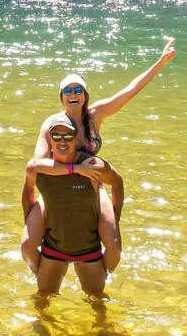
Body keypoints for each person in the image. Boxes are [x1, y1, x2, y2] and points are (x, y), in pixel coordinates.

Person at [22, 37, 177, 266]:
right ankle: (41, 274)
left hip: (92, 187)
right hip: (57, 190)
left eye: (78, 90)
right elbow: (37, 164)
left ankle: (100, 276)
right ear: (62, 97)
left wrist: (160, 63)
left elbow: (130, 90)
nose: (73, 94)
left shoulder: (95, 115)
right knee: (26, 245)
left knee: (114, 247)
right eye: (67, 90)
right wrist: (76, 168)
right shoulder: (53, 125)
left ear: (85, 95)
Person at [20, 114, 122, 298]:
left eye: (68, 136)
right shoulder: (38, 168)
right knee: (43, 297)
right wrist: (30, 222)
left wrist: (115, 219)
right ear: (49, 140)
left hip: (88, 248)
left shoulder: (93, 166)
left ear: (76, 139)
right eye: (56, 136)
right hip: (54, 248)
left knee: (97, 298)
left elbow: (117, 182)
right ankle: (38, 272)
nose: (62, 141)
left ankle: (105, 273)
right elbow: (28, 191)